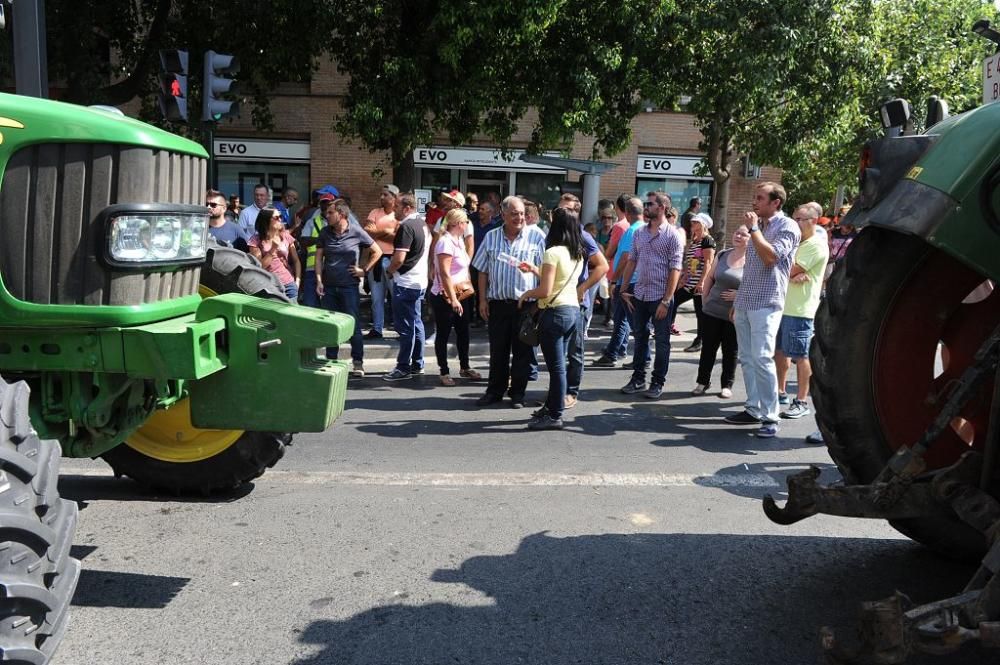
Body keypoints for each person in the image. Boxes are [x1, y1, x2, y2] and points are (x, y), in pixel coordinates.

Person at [724, 182, 801, 438]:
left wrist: (754, 228)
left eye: (760, 198)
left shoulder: (787, 226)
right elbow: (750, 269)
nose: (754, 202)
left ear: (775, 202)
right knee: (746, 358)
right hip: (747, 301)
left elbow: (771, 258)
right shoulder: (760, 227)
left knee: (763, 358)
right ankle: (754, 408)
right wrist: (738, 301)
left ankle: (770, 417)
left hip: (767, 302)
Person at [471, 196, 547, 408]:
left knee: (523, 352)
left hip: (526, 305)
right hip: (498, 303)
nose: (519, 217)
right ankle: (494, 391)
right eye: (514, 213)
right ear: (503, 215)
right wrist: (482, 300)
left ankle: (518, 394)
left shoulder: (537, 236)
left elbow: (546, 272)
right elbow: (482, 270)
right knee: (498, 350)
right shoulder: (491, 237)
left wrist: (533, 271)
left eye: (522, 213)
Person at [517, 207, 586, 430]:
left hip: (554, 313)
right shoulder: (577, 253)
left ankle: (555, 414)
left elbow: (545, 291)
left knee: (556, 368)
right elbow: (559, 280)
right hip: (572, 312)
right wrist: (536, 270)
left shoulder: (552, 252)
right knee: (560, 366)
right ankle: (551, 407)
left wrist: (527, 294)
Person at [617, 191, 684, 399]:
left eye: (651, 203)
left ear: (662, 208)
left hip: (660, 296)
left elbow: (676, 269)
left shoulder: (672, 235)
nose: (646, 206)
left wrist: (666, 300)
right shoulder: (640, 233)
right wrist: (623, 288)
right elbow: (632, 261)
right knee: (639, 337)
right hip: (640, 294)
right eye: (646, 203)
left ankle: (657, 382)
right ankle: (638, 378)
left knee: (662, 341)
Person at [315, 199, 382, 378]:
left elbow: (377, 251)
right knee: (331, 326)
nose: (326, 215)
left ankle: (358, 362)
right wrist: (319, 280)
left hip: (349, 287)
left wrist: (364, 270)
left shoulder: (356, 231)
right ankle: (331, 360)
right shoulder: (325, 233)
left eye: (330, 213)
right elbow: (319, 258)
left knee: (353, 326)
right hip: (329, 287)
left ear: (342, 214)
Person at [776, 202, 829, 419]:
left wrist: (789, 270)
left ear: (813, 221)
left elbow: (782, 267)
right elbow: (782, 268)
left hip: (800, 309)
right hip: (781, 305)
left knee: (801, 355)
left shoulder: (816, 245)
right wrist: (788, 272)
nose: (795, 222)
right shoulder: (796, 242)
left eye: (799, 219)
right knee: (779, 351)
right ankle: (780, 392)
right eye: (794, 217)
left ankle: (801, 400)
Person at [694, 227, 749, 398]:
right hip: (712, 310)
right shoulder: (723, 254)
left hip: (734, 314)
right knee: (708, 348)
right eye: (736, 232)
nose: (738, 236)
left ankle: (727, 385)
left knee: (730, 350)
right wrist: (705, 302)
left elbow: (755, 287)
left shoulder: (753, 260)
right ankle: (702, 382)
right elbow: (710, 277)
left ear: (751, 239)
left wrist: (739, 295)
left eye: (743, 234)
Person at [429, 208, 482, 385]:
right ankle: (444, 371)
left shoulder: (458, 241)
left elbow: (462, 268)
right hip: (445, 295)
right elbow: (444, 273)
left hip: (462, 293)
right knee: (444, 333)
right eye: (466, 222)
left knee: (463, 331)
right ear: (458, 224)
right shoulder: (445, 242)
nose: (467, 224)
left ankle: (465, 366)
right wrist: (453, 299)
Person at [384, 193, 431, 381]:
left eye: (396, 206)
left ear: (406, 208)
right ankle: (417, 364)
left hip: (405, 282)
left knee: (405, 328)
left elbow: (399, 258)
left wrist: (389, 270)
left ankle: (403, 367)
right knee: (416, 324)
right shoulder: (422, 225)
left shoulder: (406, 227)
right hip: (419, 282)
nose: (394, 209)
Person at [593, 196, 645, 367]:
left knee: (635, 324)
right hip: (631, 281)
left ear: (627, 213)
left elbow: (625, 257)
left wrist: (615, 280)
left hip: (627, 282)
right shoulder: (640, 228)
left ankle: (643, 359)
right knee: (621, 319)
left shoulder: (633, 230)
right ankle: (612, 353)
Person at [671, 212, 716, 353]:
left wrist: (702, 282)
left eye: (696, 222)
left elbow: (708, 263)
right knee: (672, 301)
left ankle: (700, 341)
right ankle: (668, 327)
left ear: (703, 224)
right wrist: (684, 276)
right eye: (692, 222)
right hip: (690, 282)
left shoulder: (707, 241)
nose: (693, 225)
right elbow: (690, 262)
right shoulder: (695, 241)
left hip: (699, 283)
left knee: (700, 313)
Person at [363, 184, 401, 339]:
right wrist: (386, 232)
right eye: (381, 194)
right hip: (376, 260)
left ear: (394, 198)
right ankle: (377, 328)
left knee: (396, 297)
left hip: (392, 259)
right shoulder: (374, 212)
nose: (381, 197)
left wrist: (377, 233)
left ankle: (400, 329)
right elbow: (366, 232)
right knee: (376, 297)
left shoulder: (398, 215)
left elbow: (399, 237)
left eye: (385, 195)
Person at [248, 207, 302, 300]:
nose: (280, 219)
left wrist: (297, 281)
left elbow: (296, 261)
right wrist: (273, 249)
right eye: (277, 217)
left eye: (280, 216)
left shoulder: (285, 236)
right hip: (269, 286)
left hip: (289, 284)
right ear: (266, 221)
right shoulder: (256, 240)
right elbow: (259, 267)